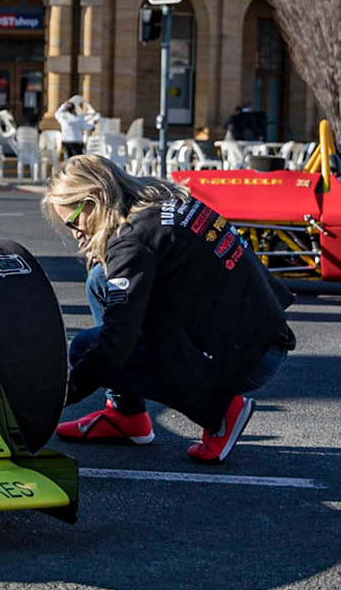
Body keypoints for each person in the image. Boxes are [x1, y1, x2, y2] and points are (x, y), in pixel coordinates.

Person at [43, 155, 294, 462]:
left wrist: (57, 399)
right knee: (100, 279)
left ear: (97, 197)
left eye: (74, 220)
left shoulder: (132, 242)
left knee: (86, 348)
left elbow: (114, 346)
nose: (74, 233)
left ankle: (221, 407)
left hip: (250, 358)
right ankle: (127, 416)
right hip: (262, 333)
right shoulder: (159, 200)